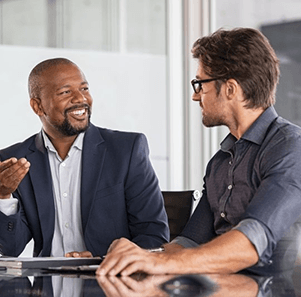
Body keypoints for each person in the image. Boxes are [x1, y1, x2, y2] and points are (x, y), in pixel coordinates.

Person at [96, 27, 301, 276]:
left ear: (230, 89)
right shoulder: (220, 162)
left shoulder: (290, 147)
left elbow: (251, 243)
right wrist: (122, 258)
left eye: (200, 84)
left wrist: (160, 264)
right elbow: (187, 244)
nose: (196, 97)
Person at [0, 58, 169, 257]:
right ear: (38, 107)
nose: (80, 99)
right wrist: (3, 196)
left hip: (109, 281)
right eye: (65, 92)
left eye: (84, 89)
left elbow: (154, 236)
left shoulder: (126, 151)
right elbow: (11, 249)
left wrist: (102, 260)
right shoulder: (14, 161)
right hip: (46, 285)